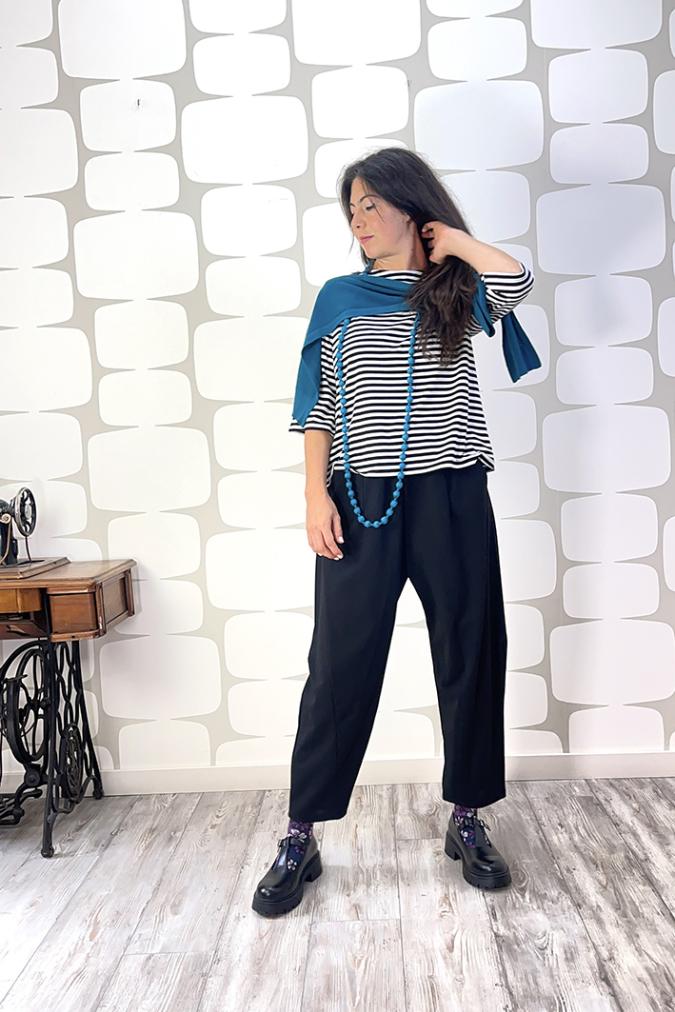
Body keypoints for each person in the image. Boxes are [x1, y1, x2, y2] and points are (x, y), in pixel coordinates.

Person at [252, 147, 536, 918]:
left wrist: (455, 243)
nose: (359, 219)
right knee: (338, 666)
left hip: (451, 493)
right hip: (359, 499)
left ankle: (467, 818)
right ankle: (301, 834)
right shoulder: (339, 298)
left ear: (413, 208)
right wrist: (314, 495)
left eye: (373, 204)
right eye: (352, 207)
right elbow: (317, 404)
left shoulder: (455, 290)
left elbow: (516, 280)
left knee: (470, 650)